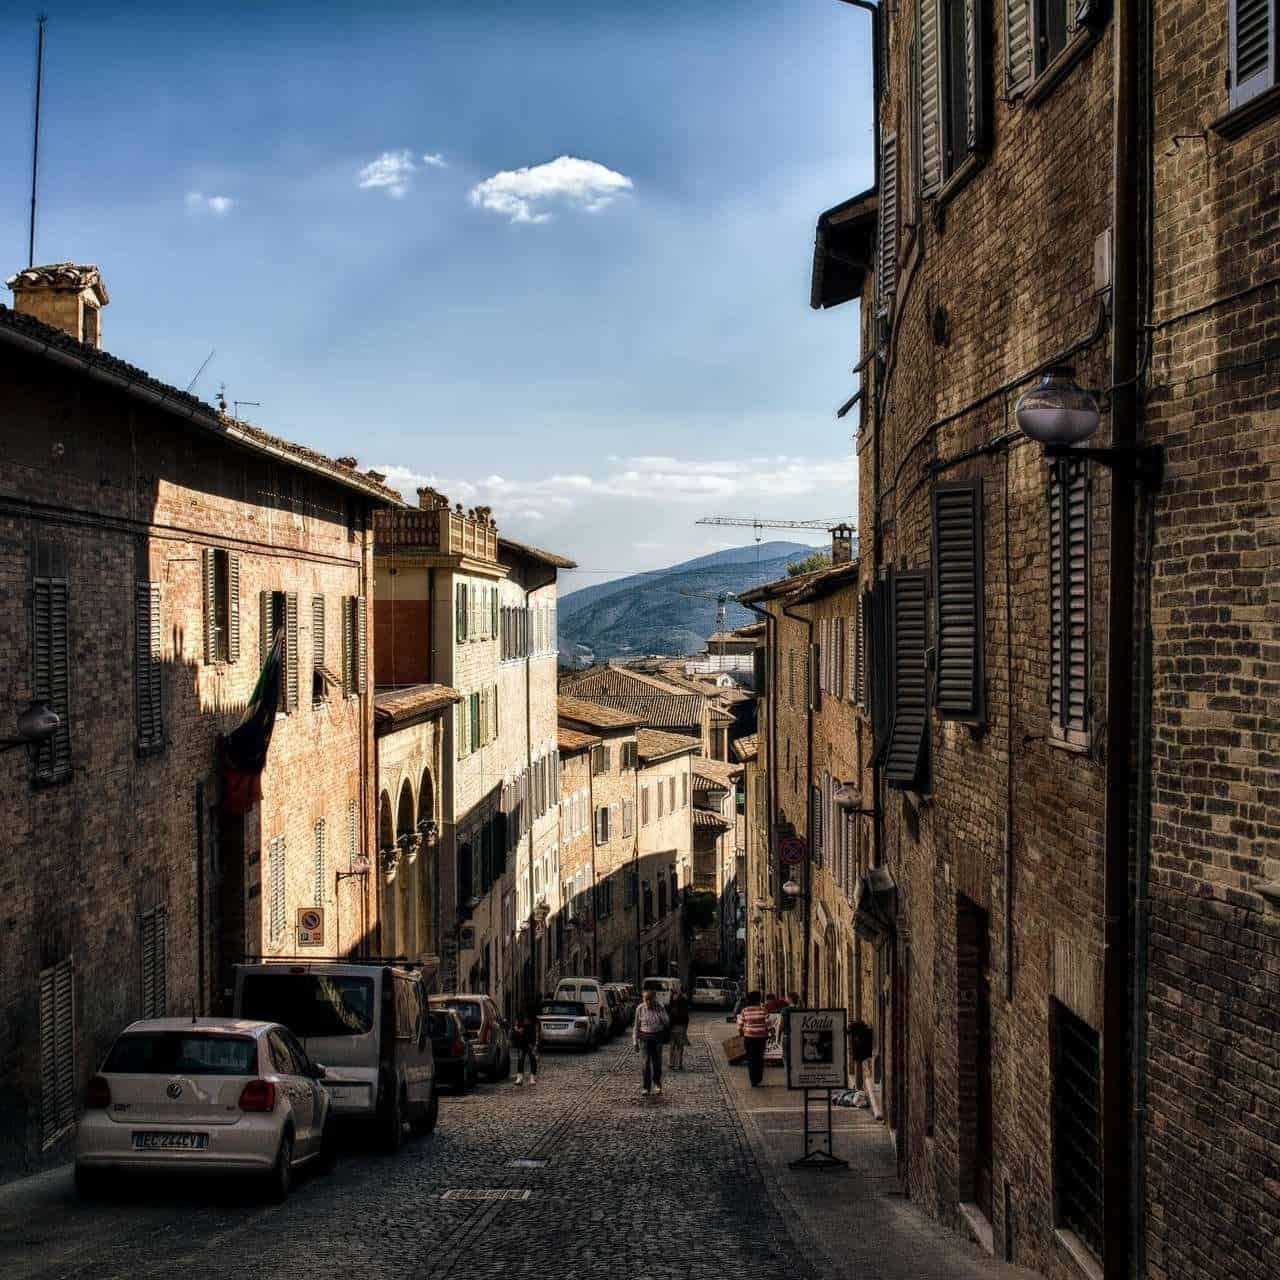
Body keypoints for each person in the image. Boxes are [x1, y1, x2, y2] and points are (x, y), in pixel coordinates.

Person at [633, 987, 670, 1095]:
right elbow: (636, 1026)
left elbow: (667, 1022)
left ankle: (657, 1084)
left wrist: (659, 1012)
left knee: (657, 1063)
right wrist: (635, 1041)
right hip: (644, 1038)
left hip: (657, 1037)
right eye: (646, 999)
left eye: (650, 999)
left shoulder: (660, 1007)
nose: (648, 1002)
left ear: (654, 999)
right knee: (645, 1063)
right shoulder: (640, 1009)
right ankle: (646, 1087)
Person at [738, 991, 769, 1086]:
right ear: (758, 999)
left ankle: (753, 1080)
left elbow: (740, 1025)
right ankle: (758, 1078)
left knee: (751, 1058)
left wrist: (741, 1033)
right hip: (761, 1038)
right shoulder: (763, 1010)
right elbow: (768, 1023)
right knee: (759, 1058)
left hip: (749, 1038)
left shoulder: (744, 1011)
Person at [511, 1008, 539, 1086]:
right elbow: (515, 1027)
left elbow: (537, 1031)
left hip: (531, 1042)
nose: (526, 1020)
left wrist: (536, 1044)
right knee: (520, 1059)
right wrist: (518, 1030)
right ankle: (520, 1078)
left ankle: (532, 1078)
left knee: (532, 1059)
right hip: (521, 1042)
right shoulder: (519, 1017)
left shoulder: (534, 1020)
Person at [667, 988, 690, 1071]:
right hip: (681, 1027)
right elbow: (686, 1019)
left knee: (672, 1046)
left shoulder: (673, 1007)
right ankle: (679, 1064)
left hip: (673, 1028)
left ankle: (671, 1063)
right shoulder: (684, 1007)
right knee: (680, 1047)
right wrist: (685, 1030)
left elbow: (669, 1017)